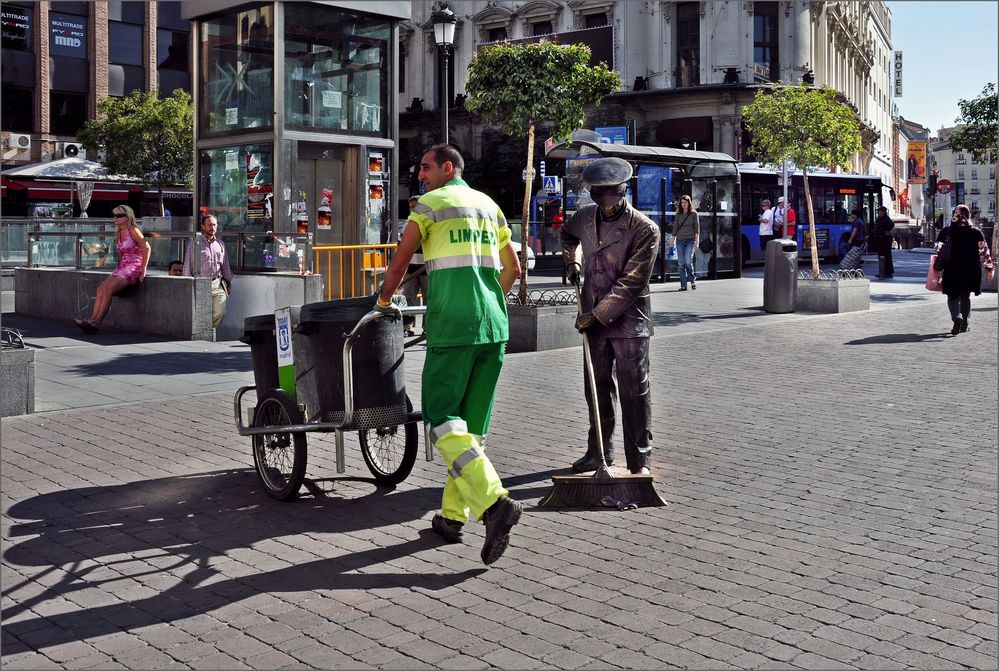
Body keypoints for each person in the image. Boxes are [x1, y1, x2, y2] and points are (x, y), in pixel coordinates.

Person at [376, 144, 523, 565]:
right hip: (493, 327)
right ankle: (452, 516)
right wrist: (490, 302)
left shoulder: (430, 205)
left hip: (453, 326)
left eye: (424, 167)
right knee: (469, 430)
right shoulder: (489, 205)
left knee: (441, 419)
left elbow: (399, 266)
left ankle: (495, 504)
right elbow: (512, 269)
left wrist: (384, 303)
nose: (419, 175)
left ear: (446, 168)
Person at [562, 157, 661, 475]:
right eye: (599, 194)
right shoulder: (584, 217)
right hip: (591, 318)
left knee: (635, 389)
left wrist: (597, 315)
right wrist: (572, 261)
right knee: (596, 387)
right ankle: (598, 452)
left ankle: (639, 458)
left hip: (629, 321)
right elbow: (567, 236)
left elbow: (633, 280)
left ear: (622, 191)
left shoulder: (645, 229)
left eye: (611, 194)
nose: (606, 202)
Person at [74, 205, 150, 334]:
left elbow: (146, 247)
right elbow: (121, 253)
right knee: (100, 289)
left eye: (119, 216)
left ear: (127, 217)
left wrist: (143, 269)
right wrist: (119, 266)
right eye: (114, 215)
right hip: (124, 265)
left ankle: (96, 323)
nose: (115, 218)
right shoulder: (118, 232)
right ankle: (92, 320)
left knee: (108, 289)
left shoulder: (133, 230)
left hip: (134, 264)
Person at [936, 204, 995, 335]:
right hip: (971, 269)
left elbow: (938, 250)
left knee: (952, 296)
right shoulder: (976, 231)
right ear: (968, 215)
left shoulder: (946, 232)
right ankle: (964, 325)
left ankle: (957, 317)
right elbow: (984, 251)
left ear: (954, 215)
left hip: (951, 268)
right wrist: (988, 267)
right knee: (965, 296)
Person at [183, 214, 233, 329]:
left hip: (217, 283)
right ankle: (204, 335)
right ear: (203, 227)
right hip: (200, 282)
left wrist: (229, 281)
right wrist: (187, 283)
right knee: (202, 314)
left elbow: (225, 266)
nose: (212, 227)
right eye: (209, 225)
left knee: (220, 312)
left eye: (214, 225)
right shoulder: (195, 244)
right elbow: (187, 266)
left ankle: (209, 331)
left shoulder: (220, 244)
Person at [399, 195, 427, 337]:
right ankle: (408, 326)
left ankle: (427, 329)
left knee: (429, 298)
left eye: (415, 206)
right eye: (410, 207)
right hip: (411, 266)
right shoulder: (407, 224)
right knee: (409, 297)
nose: (412, 209)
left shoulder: (428, 221)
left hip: (426, 266)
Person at [671, 194, 700, 291]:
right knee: (681, 264)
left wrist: (697, 242)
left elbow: (697, 229)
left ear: (689, 203)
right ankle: (683, 285)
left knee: (688, 262)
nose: (683, 204)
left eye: (685, 202)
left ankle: (692, 279)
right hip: (679, 241)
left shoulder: (694, 214)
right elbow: (675, 228)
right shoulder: (678, 214)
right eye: (682, 202)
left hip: (690, 241)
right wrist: (672, 241)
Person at [874, 205, 895, 279]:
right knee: (881, 257)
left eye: (879, 211)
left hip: (885, 241)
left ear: (883, 212)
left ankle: (888, 272)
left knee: (886, 256)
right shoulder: (879, 219)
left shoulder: (887, 220)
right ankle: (882, 272)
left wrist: (888, 232)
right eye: (878, 212)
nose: (878, 213)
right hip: (879, 240)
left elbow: (892, 225)